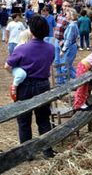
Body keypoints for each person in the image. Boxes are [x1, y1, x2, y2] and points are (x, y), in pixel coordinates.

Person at [4, 15, 56, 160]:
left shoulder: (22, 48)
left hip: (25, 85)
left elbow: (7, 65)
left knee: (24, 121)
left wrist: (18, 74)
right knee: (44, 119)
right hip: (43, 85)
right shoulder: (51, 48)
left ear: (31, 31)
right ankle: (47, 151)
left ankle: (27, 154)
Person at [8, 29, 32, 101]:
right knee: (22, 74)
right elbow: (11, 62)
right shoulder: (20, 47)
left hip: (22, 68)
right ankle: (14, 86)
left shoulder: (27, 46)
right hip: (17, 67)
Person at [59, 8, 79, 83]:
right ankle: (80, 80)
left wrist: (63, 50)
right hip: (72, 46)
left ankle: (78, 81)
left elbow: (69, 39)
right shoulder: (73, 25)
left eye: (67, 14)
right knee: (69, 66)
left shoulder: (71, 26)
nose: (65, 16)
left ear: (71, 15)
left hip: (70, 47)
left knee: (65, 67)